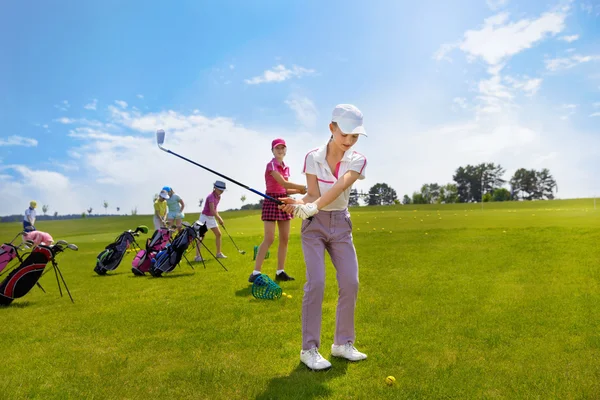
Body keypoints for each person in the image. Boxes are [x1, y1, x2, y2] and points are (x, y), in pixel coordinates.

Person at [279, 104, 368, 371]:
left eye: (355, 136)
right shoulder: (312, 158)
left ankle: (342, 344)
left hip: (340, 224)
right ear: (332, 128)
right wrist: (298, 203)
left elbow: (341, 186)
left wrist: (313, 205)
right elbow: (312, 195)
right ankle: (309, 349)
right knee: (316, 283)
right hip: (314, 226)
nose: (349, 141)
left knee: (350, 282)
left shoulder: (357, 160)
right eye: (345, 134)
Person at [248, 138, 307, 283]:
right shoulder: (271, 165)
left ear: (286, 150)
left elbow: (286, 189)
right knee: (269, 238)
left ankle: (280, 271)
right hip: (271, 200)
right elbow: (283, 182)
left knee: (285, 238)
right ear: (272, 151)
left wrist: (300, 191)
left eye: (282, 148)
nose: (280, 150)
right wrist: (302, 187)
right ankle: (255, 273)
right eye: (277, 148)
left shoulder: (286, 167)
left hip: (283, 200)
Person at [195, 180, 227, 261]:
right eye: (220, 190)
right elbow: (212, 210)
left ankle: (218, 253)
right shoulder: (210, 197)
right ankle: (197, 257)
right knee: (201, 236)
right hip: (204, 218)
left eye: (222, 190)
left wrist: (218, 217)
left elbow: (215, 210)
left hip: (211, 218)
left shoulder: (219, 197)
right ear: (215, 188)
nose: (221, 192)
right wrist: (219, 218)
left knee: (218, 234)